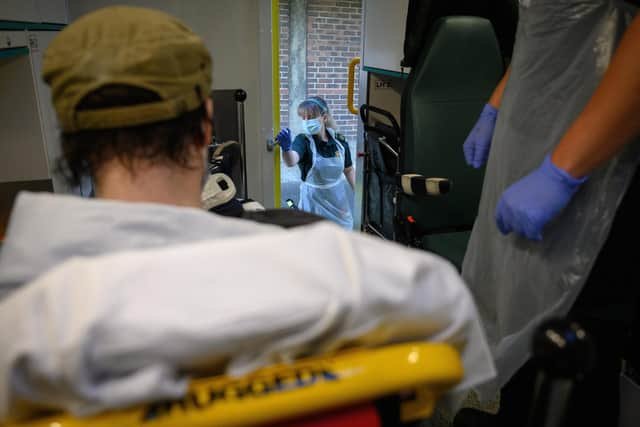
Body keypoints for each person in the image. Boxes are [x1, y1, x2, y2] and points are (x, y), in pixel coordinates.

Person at [0, 6, 496, 421]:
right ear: (205, 128)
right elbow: (453, 344)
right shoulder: (353, 274)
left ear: (70, 145)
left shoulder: (21, 317)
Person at [458, 1, 640, 425]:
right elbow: (542, 28)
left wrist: (561, 172)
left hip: (598, 160)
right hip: (533, 137)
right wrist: (496, 106)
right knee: (522, 304)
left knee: (574, 334)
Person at [276, 97, 355, 229]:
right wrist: (286, 149)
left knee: (341, 238)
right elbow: (291, 160)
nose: (306, 121)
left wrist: (359, 193)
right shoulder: (303, 141)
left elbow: (348, 169)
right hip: (313, 203)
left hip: (338, 203)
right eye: (304, 118)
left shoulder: (339, 142)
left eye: (311, 117)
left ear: (324, 117)